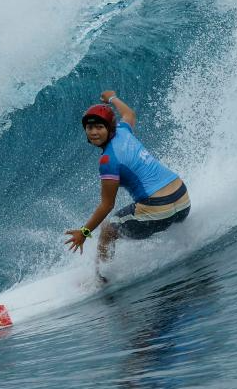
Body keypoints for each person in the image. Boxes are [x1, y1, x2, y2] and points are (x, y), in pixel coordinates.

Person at [64, 90, 191, 280]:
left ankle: (101, 280)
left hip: (159, 209)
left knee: (108, 229)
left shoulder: (108, 160)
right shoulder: (124, 131)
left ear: (109, 128)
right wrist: (112, 98)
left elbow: (107, 205)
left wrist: (84, 232)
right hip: (183, 200)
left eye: (99, 127)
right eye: (89, 128)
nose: (93, 132)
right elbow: (129, 114)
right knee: (136, 216)